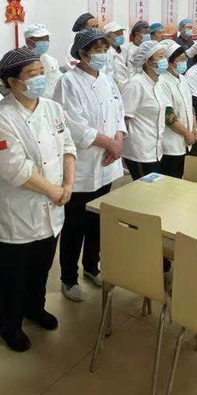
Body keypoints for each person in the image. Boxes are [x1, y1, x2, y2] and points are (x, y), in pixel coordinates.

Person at [0, 48, 77, 351]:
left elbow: (68, 146)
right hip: (19, 212)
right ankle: (9, 325)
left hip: (54, 206)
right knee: (12, 275)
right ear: (13, 82)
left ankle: (34, 309)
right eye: (31, 74)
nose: (40, 78)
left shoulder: (52, 107)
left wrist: (68, 184)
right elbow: (14, 168)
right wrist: (54, 191)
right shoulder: (1, 117)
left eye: (41, 72)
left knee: (41, 266)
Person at [53, 28, 126, 302]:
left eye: (105, 50)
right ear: (82, 53)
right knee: (75, 225)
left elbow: (119, 113)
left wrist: (118, 140)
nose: (103, 55)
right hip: (82, 168)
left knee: (98, 221)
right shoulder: (68, 82)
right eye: (98, 51)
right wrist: (109, 143)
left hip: (107, 163)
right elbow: (73, 125)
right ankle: (68, 277)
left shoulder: (107, 79)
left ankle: (92, 267)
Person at [121, 41, 169, 180]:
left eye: (164, 56)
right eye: (160, 57)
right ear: (148, 62)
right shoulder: (135, 84)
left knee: (155, 188)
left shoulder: (158, 83)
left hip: (155, 149)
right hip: (140, 152)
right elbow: (123, 119)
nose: (164, 60)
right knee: (145, 189)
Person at [156, 40, 197, 177]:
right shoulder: (162, 82)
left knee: (180, 177)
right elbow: (168, 115)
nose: (184, 62)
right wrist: (186, 133)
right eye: (181, 59)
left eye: (185, 58)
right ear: (170, 62)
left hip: (186, 139)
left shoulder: (182, 79)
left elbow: (189, 106)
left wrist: (194, 128)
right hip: (171, 143)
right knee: (170, 179)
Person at [23, 23, 64, 98]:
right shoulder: (21, 62)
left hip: (53, 102)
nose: (45, 42)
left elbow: (60, 81)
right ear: (28, 42)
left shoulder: (52, 61)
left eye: (46, 38)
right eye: (40, 39)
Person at [103, 20, 129, 92]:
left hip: (126, 88)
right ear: (108, 36)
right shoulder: (105, 53)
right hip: (112, 90)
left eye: (121, 33)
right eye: (117, 34)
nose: (121, 36)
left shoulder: (124, 50)